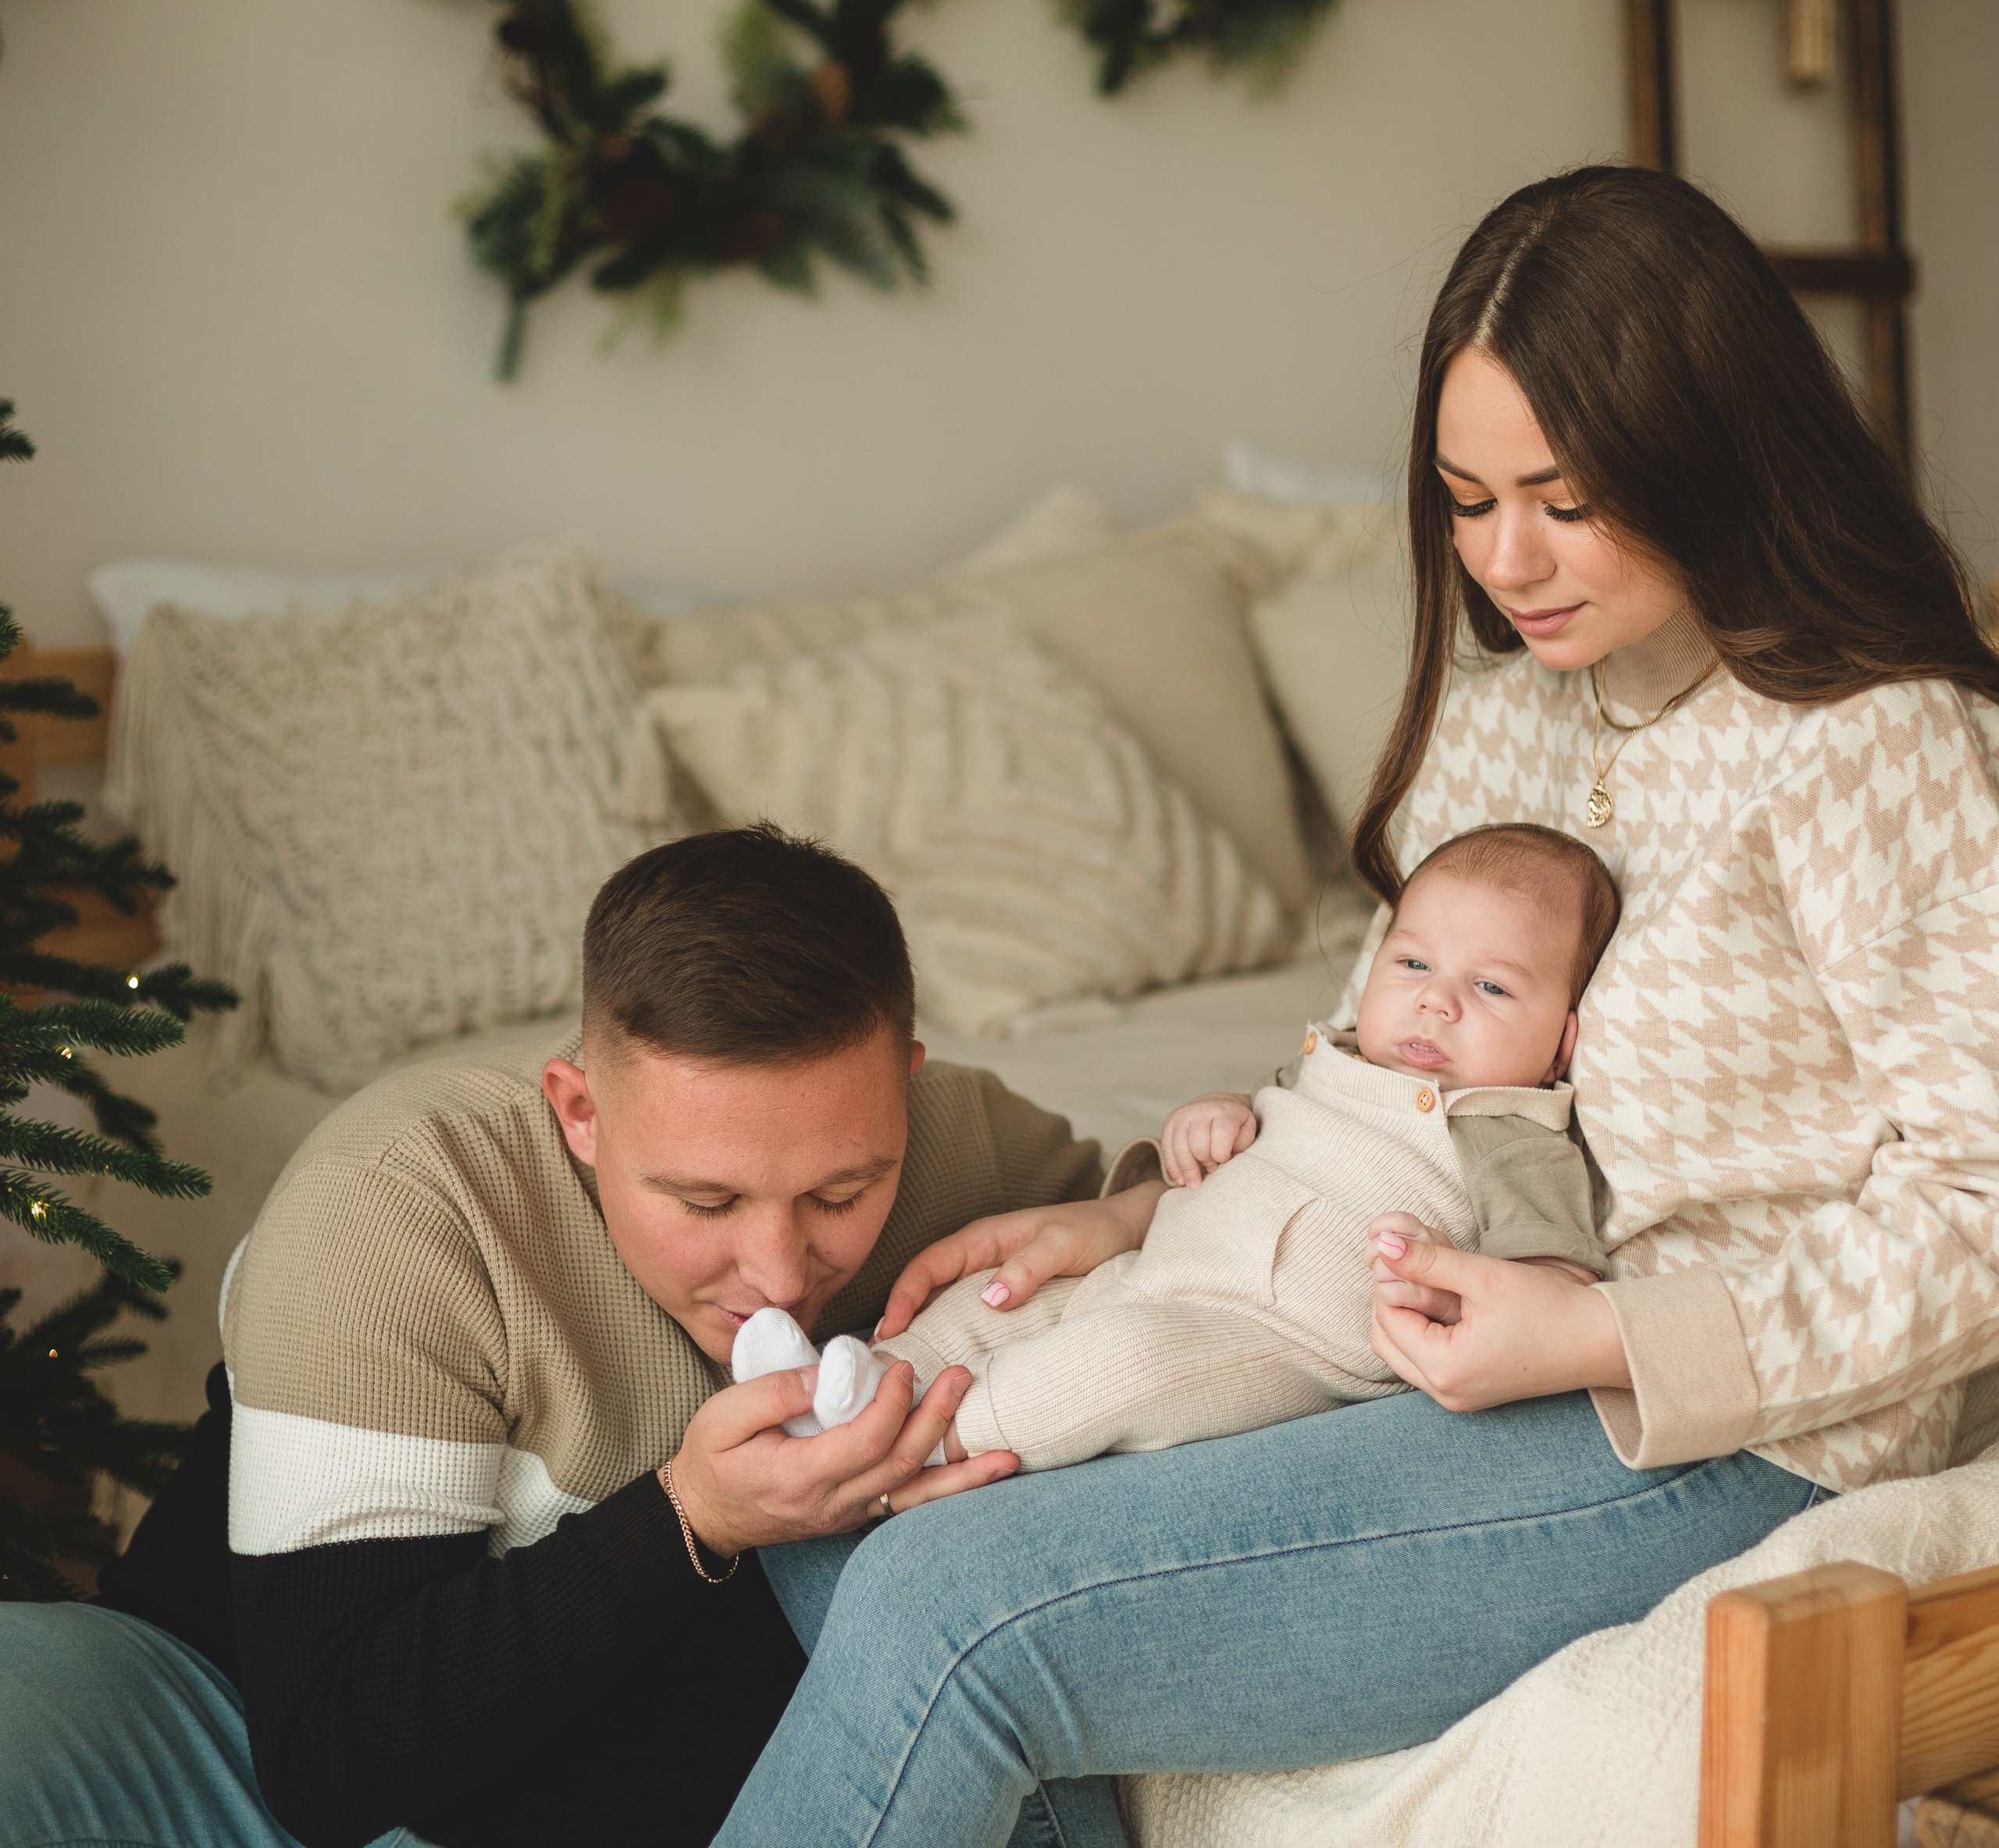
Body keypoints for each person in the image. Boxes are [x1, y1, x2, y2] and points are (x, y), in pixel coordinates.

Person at [711, 163, 1999, 1848]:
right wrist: (1135, 1218)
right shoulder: (1504, 706)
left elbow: (1978, 1205)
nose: (1506, 560)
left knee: (945, 1607)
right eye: (1465, 501)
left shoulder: (1875, 744)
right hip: (1398, 1324)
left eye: (1560, 497)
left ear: (1708, 452)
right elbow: (1378, 1065)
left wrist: (1595, 1331)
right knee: (834, 1485)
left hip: (1722, 1427)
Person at [0, 824, 1138, 1848]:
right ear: (579, 1111)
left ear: (907, 1088)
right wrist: (702, 1520)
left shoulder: (964, 1146)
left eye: (843, 1194)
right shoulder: (398, 1202)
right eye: (706, 1204)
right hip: (229, 1712)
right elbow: (332, 1763)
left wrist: (1125, 1215)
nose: (781, 1273)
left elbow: (1235, 1209)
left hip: (562, 1754)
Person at [747, 823, 1620, 1476]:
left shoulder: (1511, 1129)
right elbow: (1262, 1123)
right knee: (1001, 1298)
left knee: (1117, 1366)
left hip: (1268, 1338)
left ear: (1562, 1039)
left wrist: (1444, 1286)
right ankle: (855, 1383)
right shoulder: (1338, 1056)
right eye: (1413, 966)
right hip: (1157, 1261)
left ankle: (913, 1446)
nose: (1436, 1005)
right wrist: (1216, 1114)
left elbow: (1551, 1284)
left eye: (1493, 986)